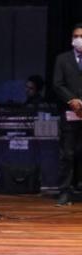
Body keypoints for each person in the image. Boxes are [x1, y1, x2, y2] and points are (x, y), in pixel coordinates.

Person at [52, 23, 82, 206]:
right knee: (67, 153)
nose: (78, 39)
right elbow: (57, 83)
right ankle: (64, 191)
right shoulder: (62, 59)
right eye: (76, 36)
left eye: (81, 35)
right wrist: (72, 100)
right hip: (70, 112)